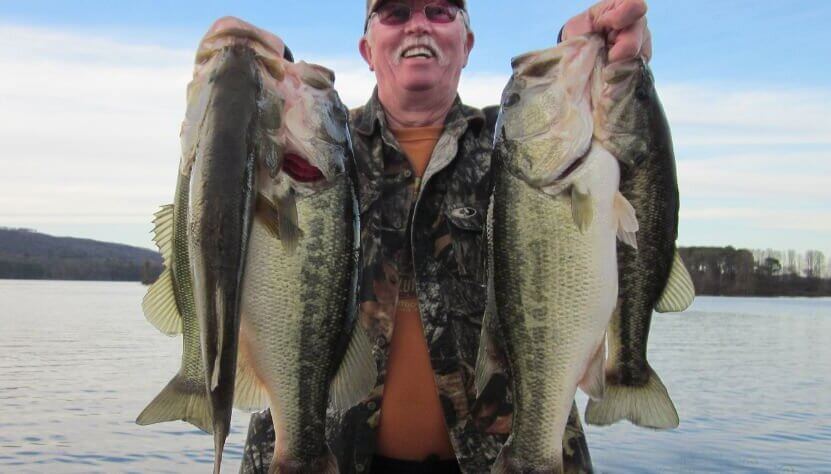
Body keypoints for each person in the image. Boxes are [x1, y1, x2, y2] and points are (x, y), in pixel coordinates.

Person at [227, 1, 652, 472]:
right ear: (367, 49)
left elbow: (632, 168)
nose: (417, 25)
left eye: (439, 11)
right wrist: (243, 66)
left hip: (513, 460)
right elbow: (221, 184)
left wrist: (599, 57)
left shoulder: (517, 143)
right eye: (394, 13)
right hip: (315, 457)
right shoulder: (310, 145)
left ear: (467, 44)